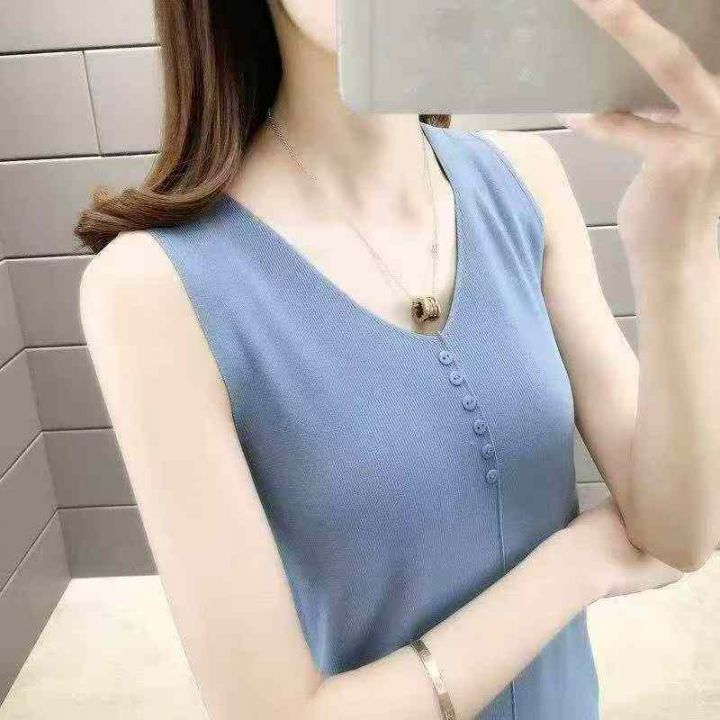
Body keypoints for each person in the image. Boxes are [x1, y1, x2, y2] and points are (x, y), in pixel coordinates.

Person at [74, 1, 720, 718]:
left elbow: (679, 535)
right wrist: (579, 563)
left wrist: (675, 249)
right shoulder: (152, 288)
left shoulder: (526, 178)